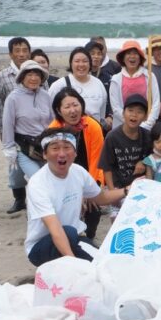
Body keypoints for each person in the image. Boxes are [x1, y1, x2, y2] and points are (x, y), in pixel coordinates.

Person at [25, 128, 127, 266]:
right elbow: (55, 229)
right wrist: (73, 264)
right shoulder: (38, 183)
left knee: (102, 263)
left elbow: (101, 198)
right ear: (45, 154)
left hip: (74, 237)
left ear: (75, 153)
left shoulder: (78, 171)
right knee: (69, 234)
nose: (61, 154)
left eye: (67, 148)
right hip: (41, 247)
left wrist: (127, 190)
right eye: (55, 148)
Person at [47, 88, 105, 239]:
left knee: (93, 207)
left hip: (88, 177)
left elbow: (97, 161)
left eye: (76, 105)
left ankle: (89, 237)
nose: (72, 110)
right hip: (62, 178)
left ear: (82, 106)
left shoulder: (92, 126)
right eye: (67, 107)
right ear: (58, 111)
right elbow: (53, 163)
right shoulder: (53, 130)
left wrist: (89, 192)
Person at [0, 37, 31, 214]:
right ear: (11, 54)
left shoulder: (36, 73)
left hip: (34, 129)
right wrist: (2, 132)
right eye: (17, 50)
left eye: (25, 50)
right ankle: (19, 199)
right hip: (13, 131)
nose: (21, 54)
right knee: (14, 168)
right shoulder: (2, 76)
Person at [99, 94, 153, 214]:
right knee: (117, 221)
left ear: (145, 117)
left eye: (139, 112)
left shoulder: (147, 135)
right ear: (123, 113)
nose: (134, 115)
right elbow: (106, 167)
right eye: (130, 110)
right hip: (119, 187)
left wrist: (144, 161)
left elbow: (156, 156)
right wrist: (112, 192)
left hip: (140, 187)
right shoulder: (112, 137)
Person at [2, 60, 52, 181]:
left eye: (37, 75)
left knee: (50, 178)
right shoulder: (13, 98)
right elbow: (8, 124)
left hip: (45, 146)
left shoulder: (46, 96)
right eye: (29, 74)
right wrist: (9, 148)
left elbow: (53, 120)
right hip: (24, 148)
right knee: (37, 178)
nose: (34, 78)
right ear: (22, 77)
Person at [47, 47, 108, 127]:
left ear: (90, 64)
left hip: (93, 131)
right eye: (77, 61)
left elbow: (102, 111)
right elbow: (50, 111)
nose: (81, 64)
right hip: (66, 133)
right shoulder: (59, 85)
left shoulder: (98, 83)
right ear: (71, 64)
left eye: (85, 61)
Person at [109, 40, 160, 130]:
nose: (132, 56)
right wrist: (131, 122)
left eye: (135, 53)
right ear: (123, 57)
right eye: (128, 53)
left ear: (140, 57)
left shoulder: (149, 76)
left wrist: (148, 123)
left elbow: (156, 102)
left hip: (146, 126)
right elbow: (116, 108)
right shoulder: (116, 79)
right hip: (122, 127)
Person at [85, 39, 115, 131]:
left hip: (103, 121)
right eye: (92, 53)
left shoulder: (107, 77)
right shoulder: (80, 77)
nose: (96, 56)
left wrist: (110, 116)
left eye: (99, 54)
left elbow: (112, 99)